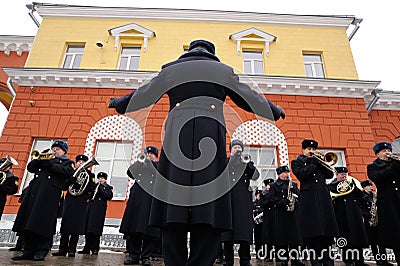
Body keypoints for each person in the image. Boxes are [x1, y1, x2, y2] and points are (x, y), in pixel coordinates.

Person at [108, 39, 285, 266]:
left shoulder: (171, 69)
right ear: (211, 52)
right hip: (210, 136)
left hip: (176, 138)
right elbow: (248, 97)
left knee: (173, 203)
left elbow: (144, 93)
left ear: (189, 51)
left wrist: (119, 103)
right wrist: (274, 110)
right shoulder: (222, 71)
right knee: (208, 204)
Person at [11, 140, 75, 261]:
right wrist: (38, 160)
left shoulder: (67, 162)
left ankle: (42, 250)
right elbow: (30, 168)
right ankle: (28, 251)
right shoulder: (46, 159)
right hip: (34, 193)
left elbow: (68, 172)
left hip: (49, 196)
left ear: (64, 151)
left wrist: (50, 165)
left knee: (43, 223)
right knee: (29, 222)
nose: (54, 150)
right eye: (54, 148)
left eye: (58, 148)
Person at [291, 139, 339, 266]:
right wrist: (314, 164)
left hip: (323, 199)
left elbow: (329, 175)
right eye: (309, 149)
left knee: (327, 231)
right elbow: (301, 175)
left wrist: (321, 162)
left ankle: (329, 262)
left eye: (313, 149)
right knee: (313, 232)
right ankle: (316, 261)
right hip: (309, 200)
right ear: (304, 150)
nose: (311, 151)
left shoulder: (319, 162)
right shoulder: (297, 162)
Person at [120, 146, 161, 266]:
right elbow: (130, 172)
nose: (149, 155)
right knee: (134, 228)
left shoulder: (158, 165)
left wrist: (150, 163)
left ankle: (146, 256)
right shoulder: (141, 165)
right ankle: (134, 255)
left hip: (151, 200)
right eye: (147, 153)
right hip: (137, 199)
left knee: (148, 231)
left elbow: (159, 173)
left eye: (151, 154)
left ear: (155, 156)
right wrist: (140, 161)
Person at [221, 140, 260, 266]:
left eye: (239, 147)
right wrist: (233, 158)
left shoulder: (246, 162)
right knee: (228, 230)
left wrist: (248, 163)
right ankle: (228, 259)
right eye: (235, 147)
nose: (237, 149)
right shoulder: (226, 161)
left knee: (244, 230)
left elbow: (255, 176)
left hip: (243, 200)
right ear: (231, 149)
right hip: (229, 198)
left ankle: (245, 259)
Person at [52, 154, 96, 257]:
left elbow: (92, 188)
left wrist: (88, 194)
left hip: (81, 202)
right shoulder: (70, 172)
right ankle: (62, 249)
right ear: (75, 163)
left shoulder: (90, 175)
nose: (81, 163)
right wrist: (72, 179)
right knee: (65, 225)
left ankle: (72, 249)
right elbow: (63, 186)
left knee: (76, 226)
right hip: (70, 201)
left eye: (83, 162)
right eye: (79, 162)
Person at [367, 141, 400, 265]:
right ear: (378, 154)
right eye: (385, 151)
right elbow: (377, 178)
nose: (388, 153)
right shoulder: (373, 166)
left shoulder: (396, 163)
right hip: (388, 203)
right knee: (396, 234)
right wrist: (392, 167)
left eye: (389, 151)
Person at [327, 167, 368, 266]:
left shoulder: (352, 183)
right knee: (344, 240)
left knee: (358, 238)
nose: (344, 176)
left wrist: (356, 188)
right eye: (341, 174)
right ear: (336, 175)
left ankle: (360, 261)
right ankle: (348, 260)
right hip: (340, 215)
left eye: (345, 174)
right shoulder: (331, 186)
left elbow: (362, 197)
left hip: (354, 214)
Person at [267, 165, 303, 266]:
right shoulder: (274, 185)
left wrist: (294, 191)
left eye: (288, 172)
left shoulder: (293, 184)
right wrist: (283, 201)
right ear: (279, 174)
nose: (287, 174)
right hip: (281, 214)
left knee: (294, 238)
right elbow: (271, 198)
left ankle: (295, 259)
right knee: (282, 238)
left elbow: (300, 197)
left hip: (293, 214)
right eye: (284, 173)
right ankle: (284, 259)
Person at [78, 171, 113, 255]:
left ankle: (95, 248)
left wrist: (100, 189)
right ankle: (87, 247)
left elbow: (109, 196)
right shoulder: (94, 186)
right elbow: (88, 195)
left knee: (96, 229)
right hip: (91, 208)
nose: (100, 180)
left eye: (102, 178)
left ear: (105, 179)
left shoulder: (108, 187)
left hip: (99, 210)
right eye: (99, 178)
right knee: (88, 228)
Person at [360, 180, 392, 266]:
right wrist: (368, 216)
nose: (371, 187)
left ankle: (384, 260)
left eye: (371, 185)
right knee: (374, 243)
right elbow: (361, 209)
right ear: (364, 187)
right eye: (369, 185)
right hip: (369, 222)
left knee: (382, 242)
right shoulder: (362, 196)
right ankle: (378, 261)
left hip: (378, 221)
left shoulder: (374, 195)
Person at [261, 178, 275, 262]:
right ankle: (268, 255)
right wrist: (268, 199)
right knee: (268, 237)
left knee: (276, 236)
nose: (269, 187)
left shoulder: (275, 192)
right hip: (267, 217)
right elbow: (262, 204)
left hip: (275, 215)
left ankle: (278, 254)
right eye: (268, 185)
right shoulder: (264, 194)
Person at [253, 189, 264, 260]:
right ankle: (258, 253)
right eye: (258, 195)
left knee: (263, 239)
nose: (259, 196)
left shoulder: (262, 203)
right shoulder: (254, 203)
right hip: (256, 224)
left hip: (263, 223)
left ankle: (264, 253)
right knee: (257, 240)